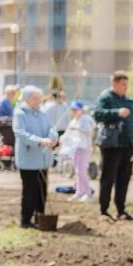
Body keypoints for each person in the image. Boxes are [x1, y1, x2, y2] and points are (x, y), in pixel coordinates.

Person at [94, 71, 133, 221]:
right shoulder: (106, 98)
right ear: (114, 83)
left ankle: (121, 210)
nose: (125, 87)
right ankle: (104, 210)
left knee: (124, 179)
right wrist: (116, 112)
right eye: (123, 84)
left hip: (128, 145)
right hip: (112, 145)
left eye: (126, 84)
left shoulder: (130, 102)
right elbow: (98, 114)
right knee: (108, 178)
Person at [13, 86, 57, 229]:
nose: (38, 101)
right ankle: (25, 220)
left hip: (43, 160)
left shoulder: (43, 112)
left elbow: (51, 128)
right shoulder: (20, 113)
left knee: (42, 191)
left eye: (39, 98)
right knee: (30, 191)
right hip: (28, 160)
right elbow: (20, 133)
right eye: (35, 98)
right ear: (26, 98)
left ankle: (40, 218)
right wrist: (39, 141)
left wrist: (53, 138)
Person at [62, 101, 96, 202]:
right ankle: (79, 192)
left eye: (76, 109)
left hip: (84, 149)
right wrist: (61, 138)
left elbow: (89, 130)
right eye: (73, 109)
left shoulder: (86, 119)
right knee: (78, 172)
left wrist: (77, 129)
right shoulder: (73, 121)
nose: (74, 111)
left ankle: (89, 193)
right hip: (75, 149)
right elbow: (67, 133)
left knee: (81, 172)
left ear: (81, 110)